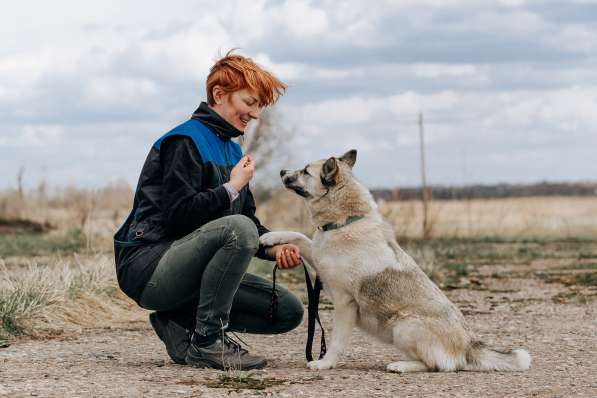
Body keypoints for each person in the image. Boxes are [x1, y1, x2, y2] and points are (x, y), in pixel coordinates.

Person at [113, 50, 304, 371]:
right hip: (148, 266)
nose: (255, 114)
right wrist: (231, 188)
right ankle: (207, 342)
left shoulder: (232, 149)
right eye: (249, 102)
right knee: (237, 227)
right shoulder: (184, 141)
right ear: (220, 94)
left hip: (187, 271)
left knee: (286, 310)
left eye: (259, 106)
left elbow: (250, 224)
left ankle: (177, 321)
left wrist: (275, 248)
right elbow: (178, 216)